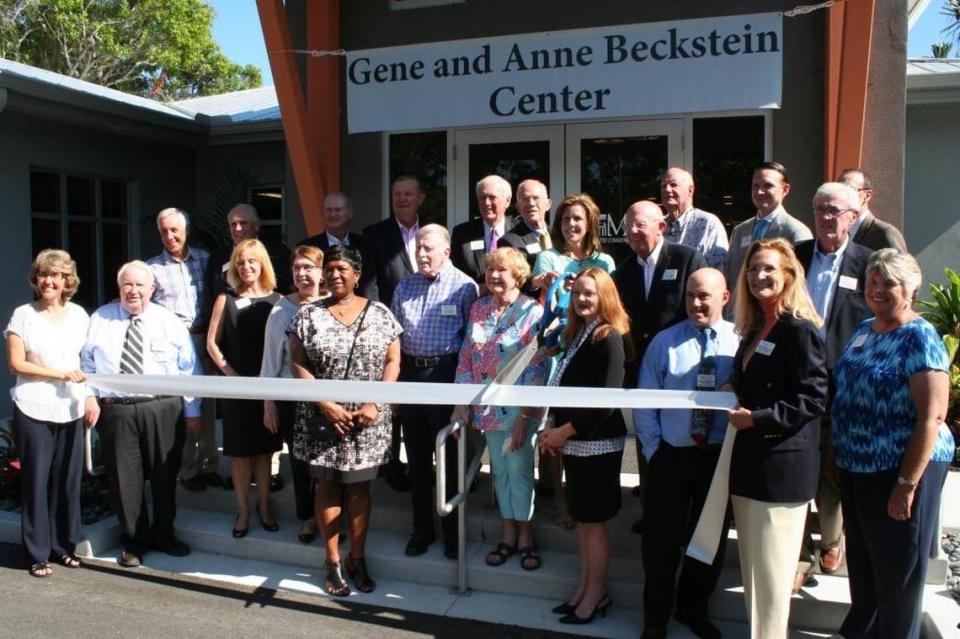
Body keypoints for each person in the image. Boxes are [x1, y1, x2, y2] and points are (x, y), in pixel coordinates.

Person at [831, 249, 953, 639]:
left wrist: (906, 484)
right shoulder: (866, 328)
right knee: (865, 562)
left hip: (900, 467)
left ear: (911, 289)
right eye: (872, 281)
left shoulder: (920, 337)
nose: (877, 289)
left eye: (888, 283)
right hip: (857, 464)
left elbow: (931, 416)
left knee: (897, 571)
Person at [726, 238, 828, 638]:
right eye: (752, 269)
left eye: (768, 268)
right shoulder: (753, 328)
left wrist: (759, 418)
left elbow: (814, 397)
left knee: (771, 580)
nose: (758, 276)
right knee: (754, 576)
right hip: (750, 466)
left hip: (781, 471)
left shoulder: (800, 330)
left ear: (789, 275)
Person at [289, 245, 402, 596]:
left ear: (357, 275)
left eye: (343, 269)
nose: (335, 275)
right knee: (327, 485)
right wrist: (325, 403)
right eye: (331, 269)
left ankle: (358, 557)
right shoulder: (307, 316)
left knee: (359, 489)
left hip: (367, 420)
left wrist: (376, 402)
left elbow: (393, 361)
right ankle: (332, 560)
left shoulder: (381, 314)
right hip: (323, 419)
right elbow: (298, 364)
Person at [635, 268, 739, 639]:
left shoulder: (741, 342)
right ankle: (655, 619)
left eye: (705, 296)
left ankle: (694, 610)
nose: (696, 303)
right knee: (660, 543)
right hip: (672, 456)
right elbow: (645, 402)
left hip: (718, 458)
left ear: (724, 298)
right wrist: (653, 451)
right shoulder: (664, 342)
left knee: (707, 542)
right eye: (691, 295)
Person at [82, 260, 202, 568]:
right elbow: (85, 365)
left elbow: (189, 367)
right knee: (125, 479)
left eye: (140, 285)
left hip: (162, 407)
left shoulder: (169, 321)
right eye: (127, 285)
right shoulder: (99, 319)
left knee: (164, 475)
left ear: (152, 289)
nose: (133, 291)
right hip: (117, 412)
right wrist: (90, 398)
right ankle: (134, 540)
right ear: (119, 288)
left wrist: (192, 411)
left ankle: (165, 534)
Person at [538, 267, 630, 625]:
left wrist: (565, 432)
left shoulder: (609, 337)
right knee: (583, 521)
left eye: (590, 293)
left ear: (605, 295)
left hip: (597, 442)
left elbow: (604, 402)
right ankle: (586, 587)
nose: (582, 299)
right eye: (577, 294)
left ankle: (596, 593)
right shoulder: (578, 334)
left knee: (593, 523)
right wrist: (554, 427)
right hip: (576, 441)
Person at [792, 183, 873, 589]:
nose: (826, 217)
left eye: (835, 211)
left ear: (853, 217)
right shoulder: (796, 255)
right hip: (799, 377)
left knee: (832, 466)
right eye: (820, 209)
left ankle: (832, 538)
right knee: (799, 461)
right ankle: (799, 551)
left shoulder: (868, 263)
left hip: (844, 381)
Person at [451, 248, 548, 571]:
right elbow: (467, 357)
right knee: (500, 472)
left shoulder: (532, 312)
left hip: (521, 412)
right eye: (490, 270)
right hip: (488, 410)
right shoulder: (479, 309)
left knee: (520, 471)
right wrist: (460, 404)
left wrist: (523, 416)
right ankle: (507, 533)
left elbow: (537, 369)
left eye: (501, 271)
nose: (493, 276)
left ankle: (526, 535)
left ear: (517, 275)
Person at [391, 224, 478, 559]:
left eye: (429, 248)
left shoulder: (464, 287)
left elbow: (470, 345)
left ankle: (454, 535)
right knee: (416, 458)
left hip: (446, 373)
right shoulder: (405, 285)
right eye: (419, 249)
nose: (423, 254)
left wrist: (461, 396)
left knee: (449, 460)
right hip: (411, 374)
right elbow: (394, 340)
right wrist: (396, 387)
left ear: (446, 251)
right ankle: (422, 531)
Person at [614, 199, 705, 523]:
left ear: (661, 227)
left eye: (640, 224)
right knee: (646, 437)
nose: (634, 232)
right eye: (629, 226)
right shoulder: (622, 271)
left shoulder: (686, 259)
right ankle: (652, 508)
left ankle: (689, 513)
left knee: (684, 441)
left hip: (683, 371)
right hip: (641, 370)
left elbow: (701, 312)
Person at [5, 250, 93, 578]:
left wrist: (90, 398)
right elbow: (17, 364)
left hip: (69, 407)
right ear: (36, 279)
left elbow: (87, 364)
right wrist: (59, 374)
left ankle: (64, 547)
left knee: (67, 483)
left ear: (67, 280)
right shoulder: (23, 315)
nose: (49, 281)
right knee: (36, 482)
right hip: (33, 407)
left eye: (55, 275)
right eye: (43, 275)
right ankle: (37, 553)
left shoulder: (80, 316)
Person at [207, 239, 282, 538]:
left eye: (252, 261)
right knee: (239, 454)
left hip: (267, 387)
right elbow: (212, 343)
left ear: (262, 263)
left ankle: (264, 506)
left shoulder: (278, 301)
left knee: (264, 452)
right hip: (237, 388)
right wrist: (230, 373)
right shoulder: (225, 299)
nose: (246, 267)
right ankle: (243, 510)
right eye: (241, 262)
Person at [147, 207, 221, 492]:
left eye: (174, 230)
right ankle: (188, 469)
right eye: (164, 231)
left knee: (210, 403)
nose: (169, 236)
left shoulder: (205, 259)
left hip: (205, 339)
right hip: (174, 345)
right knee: (185, 406)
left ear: (186, 231)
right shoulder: (152, 268)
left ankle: (209, 462)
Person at [362, 174, 426, 492]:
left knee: (418, 402)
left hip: (428, 331)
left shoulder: (432, 232)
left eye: (408, 194)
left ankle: (421, 463)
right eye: (397, 194)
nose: (402, 199)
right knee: (392, 398)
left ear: (420, 199)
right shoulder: (375, 234)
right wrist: (380, 329)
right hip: (391, 327)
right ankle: (391, 464)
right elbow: (371, 286)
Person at [260, 245, 324, 545]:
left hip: (328, 398)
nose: (302, 273)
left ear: (321, 271)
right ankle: (307, 518)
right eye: (297, 267)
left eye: (308, 267)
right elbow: (270, 361)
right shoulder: (281, 310)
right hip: (291, 397)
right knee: (299, 462)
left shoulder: (333, 304)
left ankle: (330, 516)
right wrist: (269, 402)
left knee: (327, 462)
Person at [725, 162, 813, 293]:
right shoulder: (740, 231)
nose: (760, 192)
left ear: (785, 190)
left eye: (768, 186)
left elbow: (800, 283)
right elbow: (732, 275)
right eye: (755, 186)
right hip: (741, 310)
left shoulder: (796, 232)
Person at [530, 193, 615, 293]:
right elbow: (543, 301)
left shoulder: (605, 262)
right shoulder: (548, 258)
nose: (571, 224)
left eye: (577, 218)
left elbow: (610, 301)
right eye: (566, 219)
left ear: (589, 224)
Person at [208, 203, 292, 298]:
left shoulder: (278, 252)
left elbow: (286, 288)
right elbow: (210, 293)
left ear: (256, 225)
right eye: (233, 224)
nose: (238, 228)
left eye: (243, 223)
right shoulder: (217, 257)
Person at [451, 174, 518, 286]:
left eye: (492, 197)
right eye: (482, 198)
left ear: (507, 201)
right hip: (474, 299)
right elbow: (455, 272)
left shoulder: (519, 231)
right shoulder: (462, 233)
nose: (486, 203)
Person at [661, 168, 729, 269]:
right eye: (663, 186)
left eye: (673, 185)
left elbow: (719, 269)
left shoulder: (707, 223)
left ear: (690, 190)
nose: (667, 189)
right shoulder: (658, 226)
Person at [838, 168, 908, 252]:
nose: (842, 194)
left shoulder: (884, 234)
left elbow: (899, 264)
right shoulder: (834, 233)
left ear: (867, 196)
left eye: (850, 189)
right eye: (838, 189)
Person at [500, 178, 553, 278]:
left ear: (548, 204)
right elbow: (513, 278)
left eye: (536, 198)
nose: (531, 203)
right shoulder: (509, 241)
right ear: (518, 207)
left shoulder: (559, 235)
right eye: (525, 199)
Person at [299, 192, 365, 252]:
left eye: (338, 210)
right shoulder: (307, 247)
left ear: (350, 213)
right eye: (328, 210)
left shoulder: (364, 244)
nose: (333, 214)